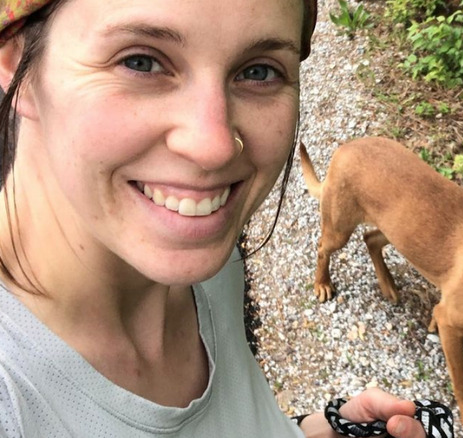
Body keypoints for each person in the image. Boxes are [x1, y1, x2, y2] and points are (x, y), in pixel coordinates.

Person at [0, 0, 430, 436]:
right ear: (16, 61)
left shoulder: (201, 251)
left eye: (258, 71)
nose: (215, 147)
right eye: (141, 61)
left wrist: (316, 430)